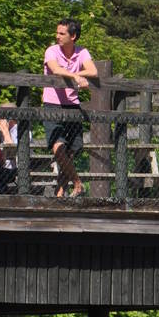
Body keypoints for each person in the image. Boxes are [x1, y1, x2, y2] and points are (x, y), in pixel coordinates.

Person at [42, 18, 98, 198]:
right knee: (57, 147)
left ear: (73, 36)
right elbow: (55, 69)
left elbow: (93, 71)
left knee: (73, 149)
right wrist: (76, 77)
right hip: (52, 103)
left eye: (61, 33)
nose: (57, 36)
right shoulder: (51, 50)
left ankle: (60, 190)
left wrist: (77, 75)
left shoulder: (82, 52)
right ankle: (77, 183)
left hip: (72, 104)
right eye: (57, 32)